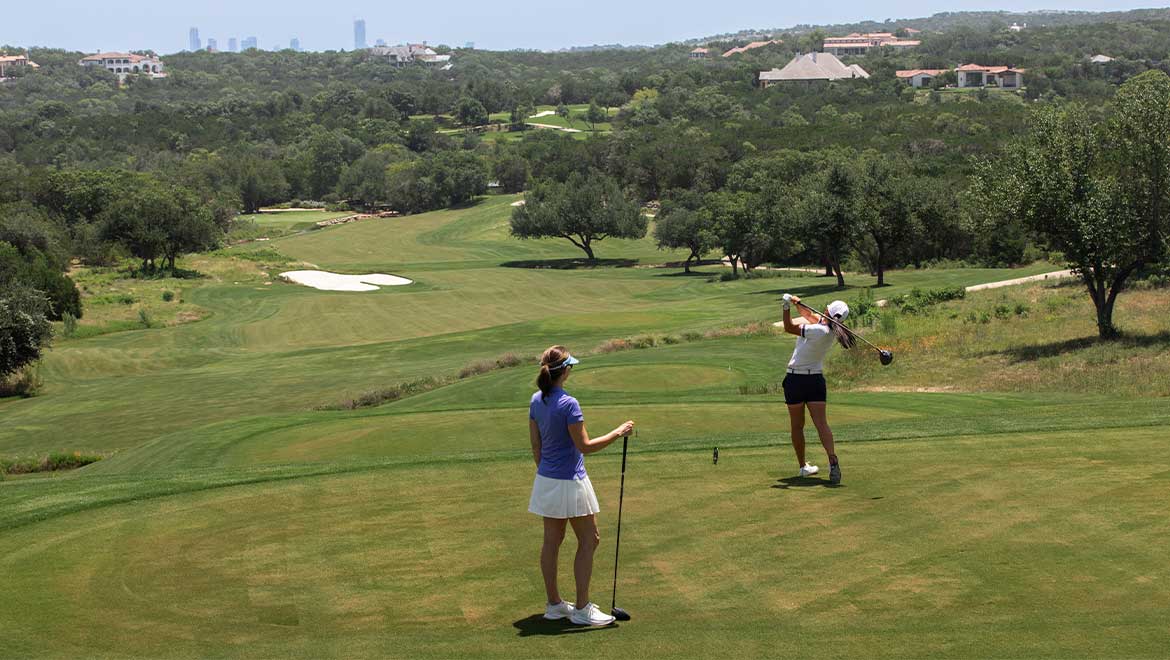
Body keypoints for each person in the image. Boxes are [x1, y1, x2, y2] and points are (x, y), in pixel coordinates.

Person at [528, 345, 635, 626]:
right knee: (590, 539)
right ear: (565, 371)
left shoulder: (536, 400)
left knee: (552, 541)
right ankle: (582, 609)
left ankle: (554, 605)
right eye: (570, 366)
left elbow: (536, 447)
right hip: (571, 482)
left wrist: (548, 474)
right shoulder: (569, 403)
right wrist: (618, 432)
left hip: (546, 480)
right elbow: (585, 447)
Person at [780, 295, 856, 484]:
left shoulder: (818, 331)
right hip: (815, 380)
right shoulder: (830, 331)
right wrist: (798, 304)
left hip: (795, 379)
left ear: (829, 312)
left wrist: (786, 306)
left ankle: (803, 467)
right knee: (822, 424)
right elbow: (810, 315)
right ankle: (832, 459)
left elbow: (788, 327)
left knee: (797, 426)